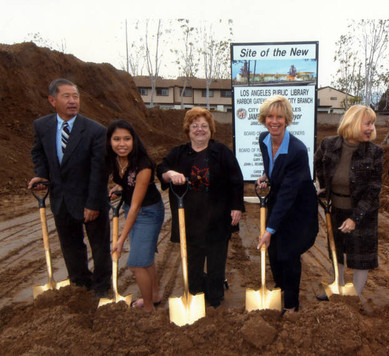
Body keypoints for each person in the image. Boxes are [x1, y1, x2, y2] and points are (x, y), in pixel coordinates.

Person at [28, 78, 111, 297]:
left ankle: (102, 289)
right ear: (52, 100)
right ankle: (80, 285)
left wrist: (93, 203)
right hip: (61, 199)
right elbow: (38, 152)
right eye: (67, 96)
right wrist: (41, 175)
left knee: (100, 247)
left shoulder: (95, 131)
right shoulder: (42, 126)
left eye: (76, 96)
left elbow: (99, 171)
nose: (73, 101)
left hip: (89, 200)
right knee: (71, 246)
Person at [157, 107, 244, 308]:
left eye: (204, 126)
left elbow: (235, 180)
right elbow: (161, 169)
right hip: (189, 219)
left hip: (217, 218)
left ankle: (214, 299)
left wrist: (236, 206)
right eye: (194, 126)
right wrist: (170, 173)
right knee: (193, 262)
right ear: (188, 130)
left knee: (216, 262)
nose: (199, 130)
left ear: (211, 130)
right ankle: (195, 296)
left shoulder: (221, 152)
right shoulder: (178, 153)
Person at [256, 95, 318, 315]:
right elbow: (274, 169)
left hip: (299, 209)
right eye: (270, 116)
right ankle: (280, 289)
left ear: (287, 119)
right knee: (273, 253)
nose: (274, 121)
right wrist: (266, 176)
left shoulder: (297, 151)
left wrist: (269, 229)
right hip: (280, 201)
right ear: (264, 119)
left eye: (279, 117)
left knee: (289, 254)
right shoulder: (264, 139)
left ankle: (291, 305)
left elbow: (289, 194)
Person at [314, 104, 383, 300]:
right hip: (335, 209)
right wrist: (326, 186)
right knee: (337, 251)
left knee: (361, 257)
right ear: (352, 123)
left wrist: (355, 218)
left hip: (362, 213)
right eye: (367, 123)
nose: (371, 128)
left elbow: (373, 189)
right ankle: (338, 288)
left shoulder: (374, 152)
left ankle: (355, 298)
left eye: (373, 124)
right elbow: (318, 161)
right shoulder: (329, 144)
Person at [106, 119, 164, 312]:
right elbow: (126, 181)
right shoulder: (115, 159)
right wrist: (120, 186)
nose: (121, 144)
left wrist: (121, 239)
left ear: (134, 140)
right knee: (145, 259)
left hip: (147, 212)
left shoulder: (144, 165)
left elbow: (136, 206)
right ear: (110, 141)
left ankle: (148, 308)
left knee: (136, 263)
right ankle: (155, 295)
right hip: (132, 207)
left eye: (126, 139)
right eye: (116, 139)